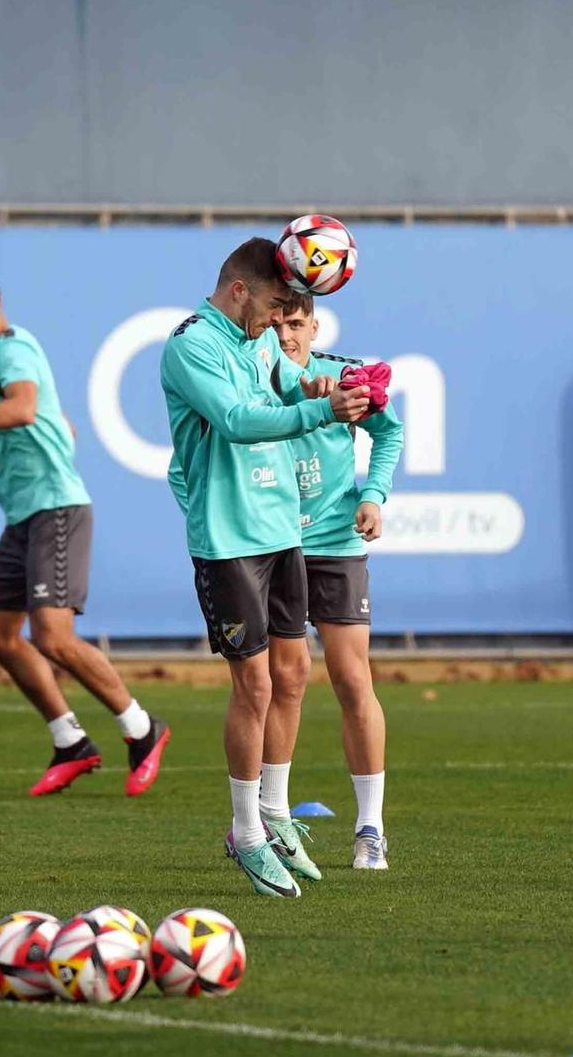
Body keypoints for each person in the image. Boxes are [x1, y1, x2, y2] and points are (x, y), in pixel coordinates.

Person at [0, 263, 169, 797]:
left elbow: (23, 408)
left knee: (52, 637)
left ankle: (142, 729)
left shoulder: (11, 350)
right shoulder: (2, 356)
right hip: (24, 516)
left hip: (56, 512)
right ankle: (70, 741)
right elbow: (41, 411)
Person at [161, 238, 367, 896]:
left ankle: (275, 812)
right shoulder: (193, 343)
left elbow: (282, 386)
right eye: (275, 306)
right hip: (228, 539)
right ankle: (246, 833)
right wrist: (318, 409)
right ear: (241, 291)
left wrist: (313, 386)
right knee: (252, 688)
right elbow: (239, 420)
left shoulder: (261, 339)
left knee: (294, 672)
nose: (282, 322)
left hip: (283, 527)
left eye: (291, 311)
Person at [271, 295, 403, 874]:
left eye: (295, 324)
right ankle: (267, 822)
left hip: (335, 547)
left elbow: (389, 433)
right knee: (283, 682)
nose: (285, 335)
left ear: (313, 326)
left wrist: (373, 495)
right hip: (270, 543)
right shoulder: (245, 380)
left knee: (352, 680)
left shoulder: (343, 377)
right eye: (275, 325)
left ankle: (370, 828)